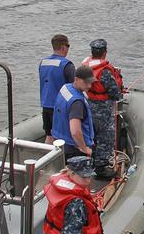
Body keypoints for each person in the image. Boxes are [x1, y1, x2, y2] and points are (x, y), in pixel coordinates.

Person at [81, 39, 124, 178]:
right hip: (103, 107)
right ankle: (102, 167)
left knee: (92, 134)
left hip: (89, 104)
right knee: (105, 136)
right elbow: (114, 92)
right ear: (104, 53)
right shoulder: (104, 71)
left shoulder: (85, 67)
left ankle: (91, 160)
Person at [51, 66, 95, 160]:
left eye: (90, 82)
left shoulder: (65, 88)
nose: (89, 86)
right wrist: (84, 148)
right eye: (86, 82)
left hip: (59, 141)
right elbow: (75, 131)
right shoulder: (77, 102)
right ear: (76, 79)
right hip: (73, 148)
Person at [38, 34, 75, 133]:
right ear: (63, 47)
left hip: (45, 105)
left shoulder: (43, 63)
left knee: (49, 136)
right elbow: (74, 89)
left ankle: (46, 149)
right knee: (62, 137)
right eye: (68, 46)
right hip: (60, 108)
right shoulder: (67, 65)